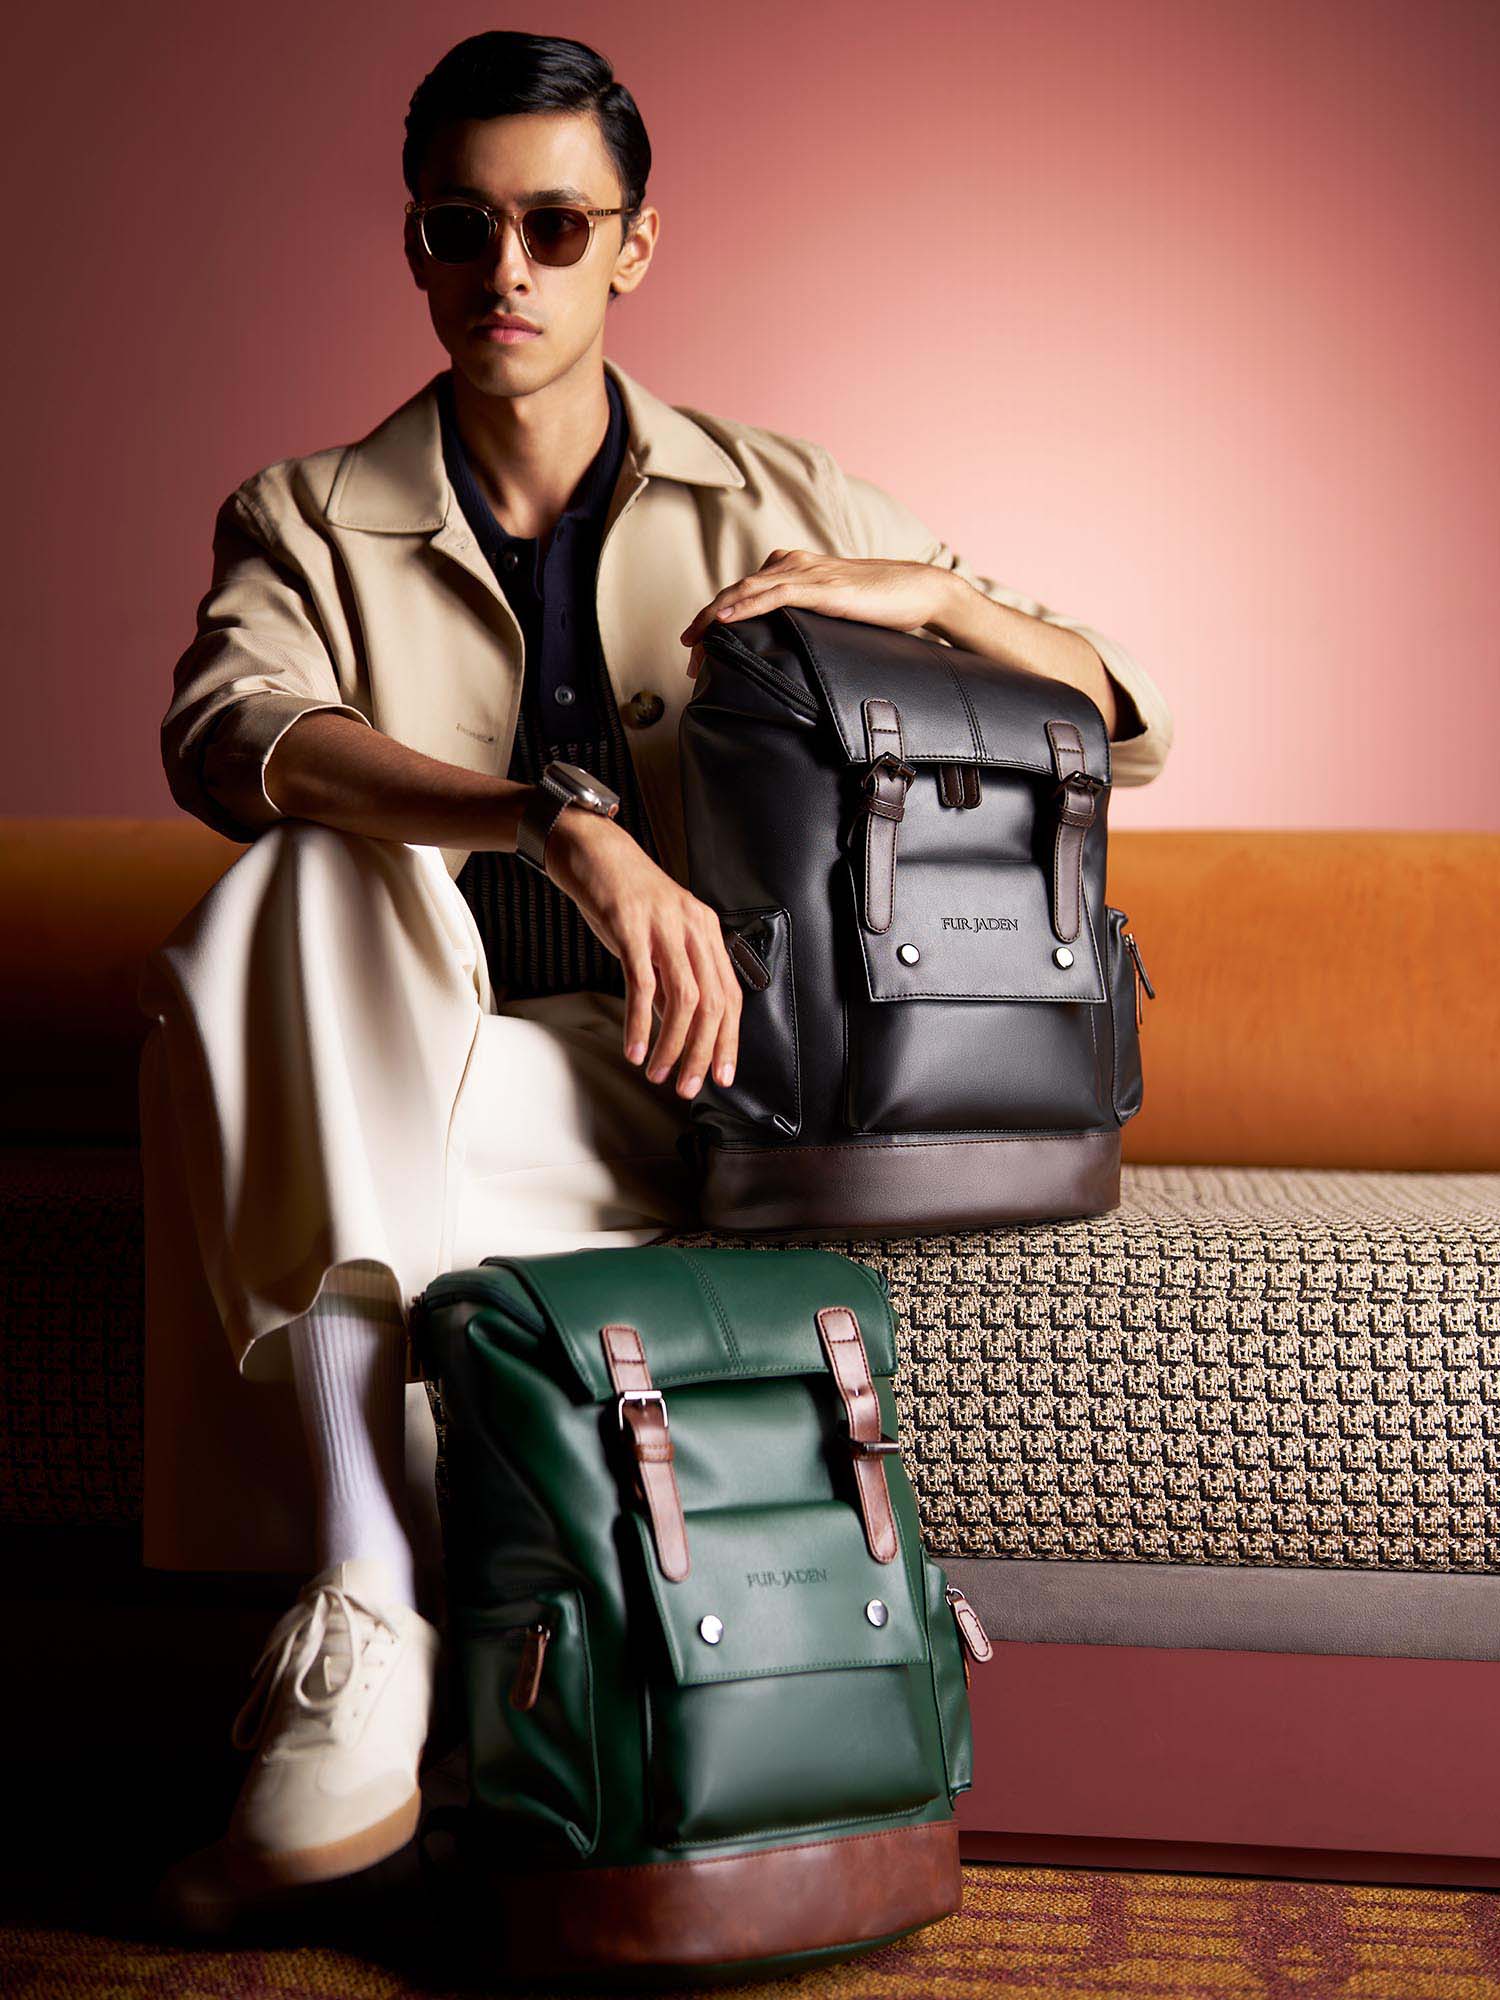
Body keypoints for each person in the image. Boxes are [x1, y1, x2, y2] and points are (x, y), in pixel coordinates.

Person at [139, 28, 1175, 1912]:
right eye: (460, 225)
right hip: (444, 1064)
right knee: (291, 884)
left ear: (634, 246)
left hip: (718, 1090)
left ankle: (386, 1639)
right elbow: (229, 734)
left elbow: (1122, 719)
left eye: (556, 225)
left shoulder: (777, 493)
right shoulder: (304, 514)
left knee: (237, 1077)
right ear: (415, 243)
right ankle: (373, 1590)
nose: (507, 268)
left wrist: (938, 603)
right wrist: (549, 820)